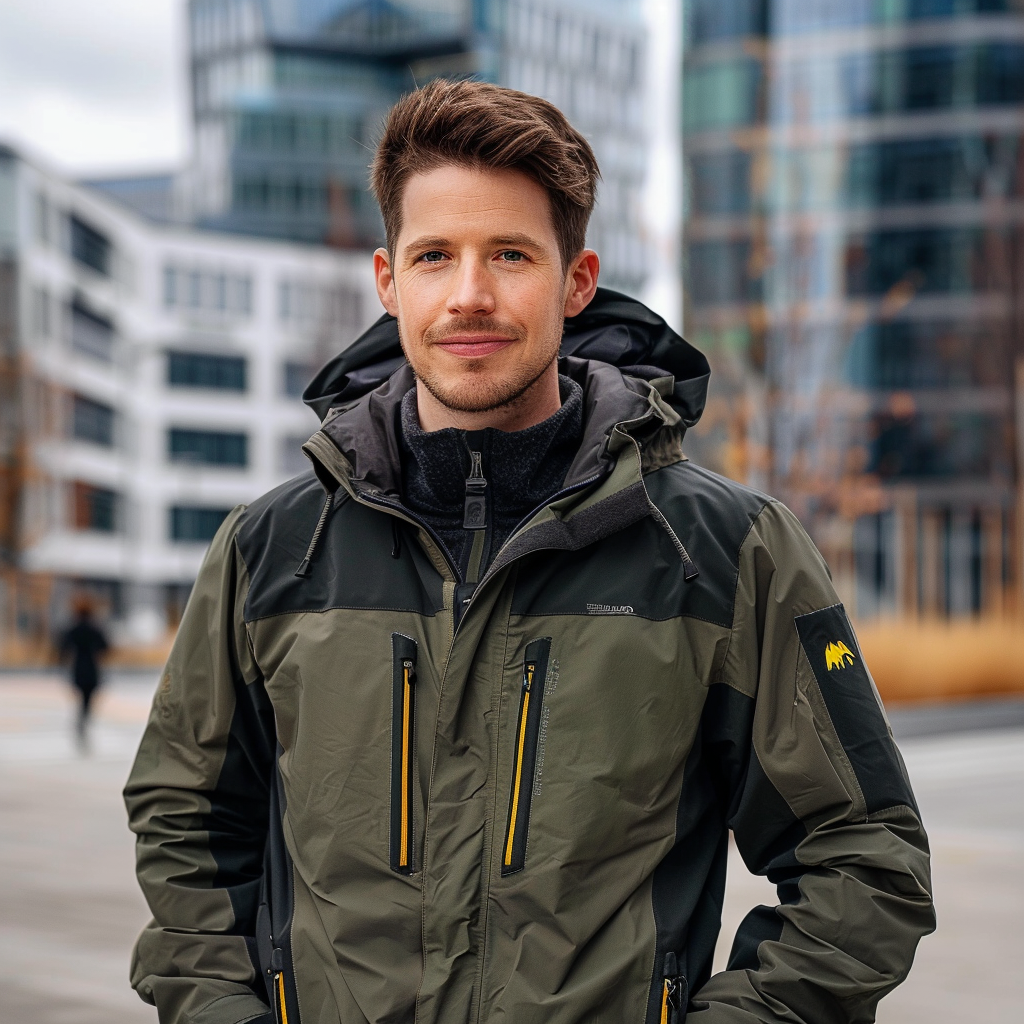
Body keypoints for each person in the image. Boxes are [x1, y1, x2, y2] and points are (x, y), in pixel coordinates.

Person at [125, 80, 934, 1024]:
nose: (470, 295)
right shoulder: (271, 551)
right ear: (390, 282)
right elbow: (185, 827)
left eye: (510, 254)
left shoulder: (727, 552)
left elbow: (865, 854)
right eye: (435, 256)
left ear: (576, 280)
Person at [60, 597, 109, 749]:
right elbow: (105, 647)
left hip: (78, 667)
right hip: (92, 667)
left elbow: (63, 647)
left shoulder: (73, 629)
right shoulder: (95, 629)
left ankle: (81, 720)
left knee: (82, 697)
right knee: (88, 698)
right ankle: (83, 719)